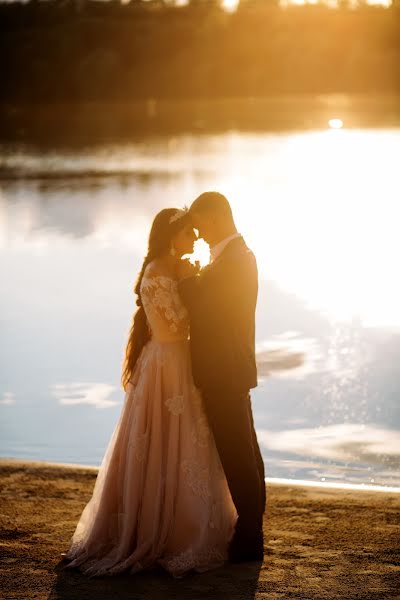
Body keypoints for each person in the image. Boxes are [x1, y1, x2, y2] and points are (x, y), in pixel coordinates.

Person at [62, 208, 237, 578]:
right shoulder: (158, 272)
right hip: (167, 366)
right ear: (170, 235)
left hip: (177, 364)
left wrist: (191, 278)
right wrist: (193, 285)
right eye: (187, 232)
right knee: (162, 443)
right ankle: (160, 530)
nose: (193, 238)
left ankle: (183, 519)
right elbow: (175, 325)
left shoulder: (171, 266)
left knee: (184, 444)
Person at [177, 191, 266, 562]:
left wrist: (185, 281)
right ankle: (251, 530)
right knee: (244, 450)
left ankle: (249, 537)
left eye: (199, 225)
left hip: (225, 372)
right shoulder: (235, 257)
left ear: (214, 218)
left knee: (238, 454)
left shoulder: (234, 261)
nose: (198, 234)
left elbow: (209, 312)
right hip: (231, 369)